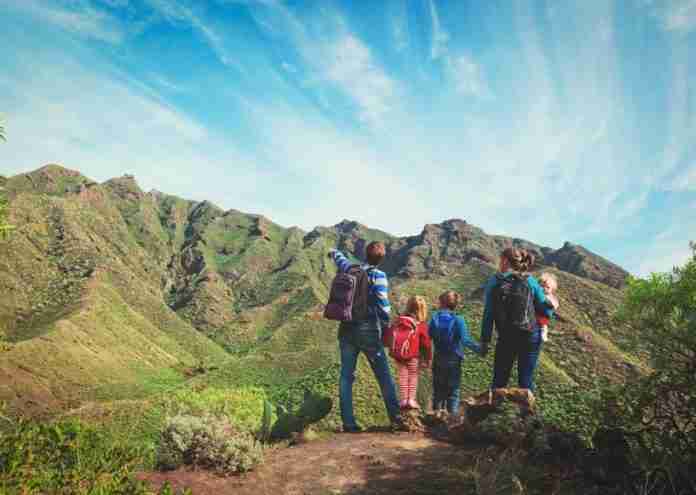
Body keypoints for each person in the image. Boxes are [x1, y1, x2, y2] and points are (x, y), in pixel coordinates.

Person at [328, 243, 406, 432]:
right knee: (383, 375)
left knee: (346, 376)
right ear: (381, 259)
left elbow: (340, 259)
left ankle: (349, 423)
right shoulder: (378, 276)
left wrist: (333, 251)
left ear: (365, 255)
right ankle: (396, 419)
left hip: (346, 328)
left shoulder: (351, 268)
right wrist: (387, 327)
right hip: (368, 329)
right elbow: (383, 305)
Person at [480, 247, 554, 392]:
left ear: (505, 261)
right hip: (530, 336)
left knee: (500, 380)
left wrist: (485, 341)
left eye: (500, 260)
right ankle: (526, 412)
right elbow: (547, 311)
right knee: (526, 381)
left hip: (506, 337)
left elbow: (488, 314)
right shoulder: (530, 281)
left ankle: (493, 410)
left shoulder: (495, 281)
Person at [429, 291, 482, 417]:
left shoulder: (434, 318)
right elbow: (465, 340)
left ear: (441, 303)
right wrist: (480, 349)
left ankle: (436, 415)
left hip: (438, 357)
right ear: (456, 304)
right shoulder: (459, 320)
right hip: (454, 359)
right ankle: (452, 418)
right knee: (453, 390)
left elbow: (429, 336)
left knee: (438, 389)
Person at [383, 295, 432, 410]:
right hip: (413, 356)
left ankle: (404, 399)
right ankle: (411, 399)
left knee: (403, 376)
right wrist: (428, 358)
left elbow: (389, 334)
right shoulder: (420, 324)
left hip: (399, 355)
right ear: (422, 310)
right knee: (413, 376)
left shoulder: (399, 321)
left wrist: (388, 345)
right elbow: (426, 344)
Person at [537, 272, 560, 342]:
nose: (544, 288)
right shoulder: (538, 294)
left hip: (542, 318)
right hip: (536, 317)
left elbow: (555, 304)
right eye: (542, 286)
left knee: (543, 326)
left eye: (548, 287)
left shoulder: (550, 297)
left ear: (552, 290)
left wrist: (551, 304)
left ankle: (544, 333)